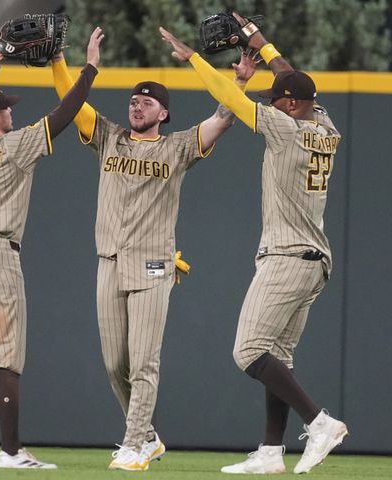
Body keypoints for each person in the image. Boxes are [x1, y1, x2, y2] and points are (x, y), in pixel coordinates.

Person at [50, 43, 256, 471]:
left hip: (153, 264)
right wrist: (61, 62)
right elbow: (72, 103)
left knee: (144, 361)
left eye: (146, 102)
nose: (136, 105)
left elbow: (223, 118)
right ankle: (145, 435)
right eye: (133, 101)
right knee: (115, 364)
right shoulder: (109, 137)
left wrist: (239, 81)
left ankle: (134, 445)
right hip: (109, 260)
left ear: (163, 113)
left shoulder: (177, 147)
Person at [160, 16, 348, 476]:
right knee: (277, 357)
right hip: (315, 259)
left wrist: (193, 58)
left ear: (291, 104)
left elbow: (230, 99)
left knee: (248, 351)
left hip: (287, 256)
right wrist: (261, 44)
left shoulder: (287, 128)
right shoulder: (323, 122)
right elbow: (290, 75)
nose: (272, 101)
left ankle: (320, 423)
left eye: (277, 99)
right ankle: (270, 452)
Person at [0, 27, 104, 469]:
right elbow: (65, 113)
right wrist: (89, 69)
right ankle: (11, 451)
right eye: (6, 108)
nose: (11, 111)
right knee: (7, 359)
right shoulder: (13, 146)